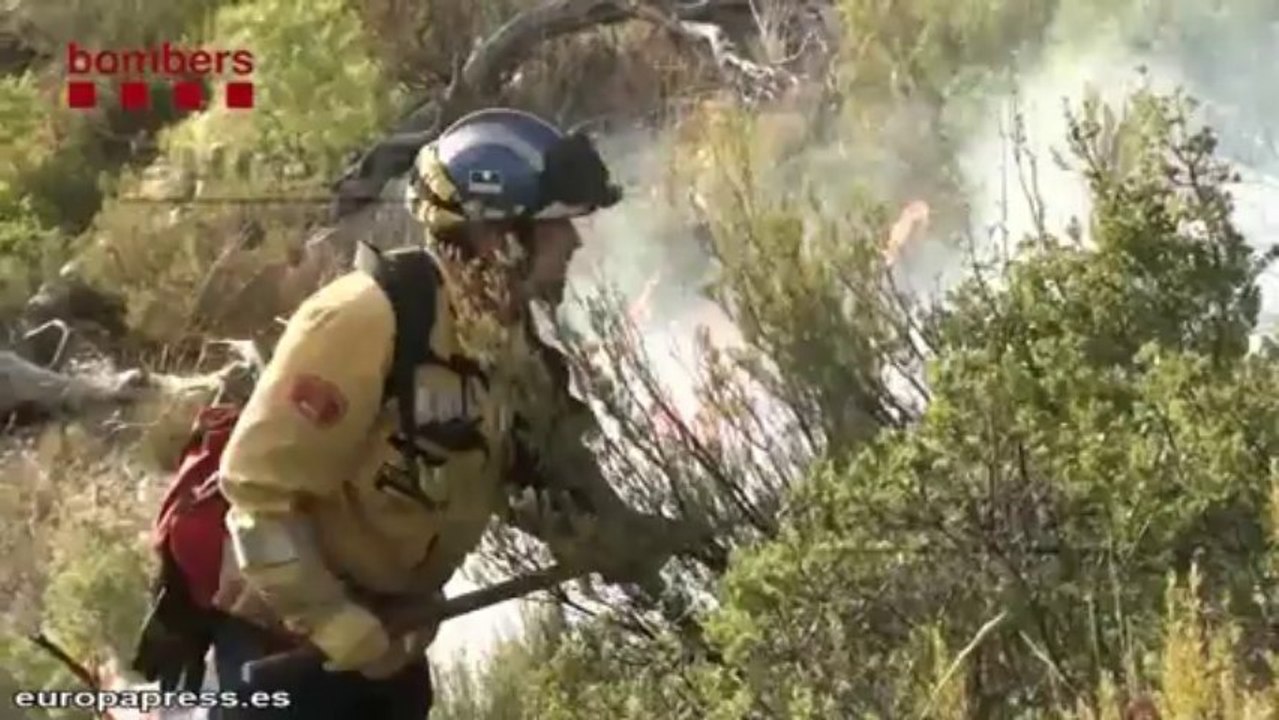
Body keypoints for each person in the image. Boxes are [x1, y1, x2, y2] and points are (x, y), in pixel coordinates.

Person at [206, 108, 680, 719]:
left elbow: (550, 486)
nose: (574, 241)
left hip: (393, 653)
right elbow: (258, 491)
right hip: (284, 657)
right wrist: (333, 622)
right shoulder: (367, 319)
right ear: (495, 235)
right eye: (556, 225)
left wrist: (626, 537)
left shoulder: (515, 355)